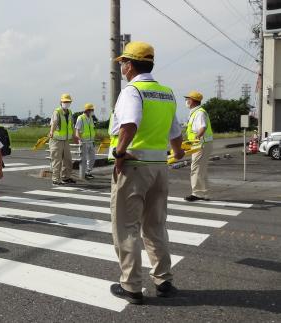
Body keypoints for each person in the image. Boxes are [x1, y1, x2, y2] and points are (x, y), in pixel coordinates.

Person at [109, 41, 185, 304]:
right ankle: (164, 280)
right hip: (159, 169)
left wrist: (119, 153)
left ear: (130, 65)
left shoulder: (132, 91)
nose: (121, 67)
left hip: (134, 166)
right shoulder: (166, 93)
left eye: (122, 63)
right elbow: (176, 132)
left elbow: (129, 124)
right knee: (156, 225)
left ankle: (131, 286)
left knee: (127, 227)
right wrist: (177, 152)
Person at [184, 91, 214, 202]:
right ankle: (205, 194)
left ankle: (196, 193)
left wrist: (197, 137)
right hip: (200, 144)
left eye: (188, 99)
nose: (186, 101)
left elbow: (203, 127)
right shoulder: (195, 112)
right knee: (201, 169)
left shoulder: (199, 113)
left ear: (192, 101)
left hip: (201, 144)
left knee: (195, 168)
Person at [49, 94, 77, 186]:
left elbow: (71, 125)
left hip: (65, 140)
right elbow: (54, 122)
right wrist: (51, 132)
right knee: (57, 160)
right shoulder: (57, 112)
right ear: (61, 102)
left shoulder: (70, 112)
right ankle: (56, 179)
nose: (66, 103)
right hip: (56, 139)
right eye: (65, 102)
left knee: (68, 160)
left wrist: (74, 136)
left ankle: (66, 177)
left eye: (68, 102)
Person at [75, 103, 97, 179]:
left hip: (91, 142)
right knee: (83, 159)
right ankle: (83, 174)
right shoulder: (80, 118)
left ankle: (88, 172)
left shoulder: (91, 118)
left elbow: (92, 129)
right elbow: (77, 130)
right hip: (84, 142)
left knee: (92, 158)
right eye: (91, 110)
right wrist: (79, 140)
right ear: (87, 110)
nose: (92, 111)